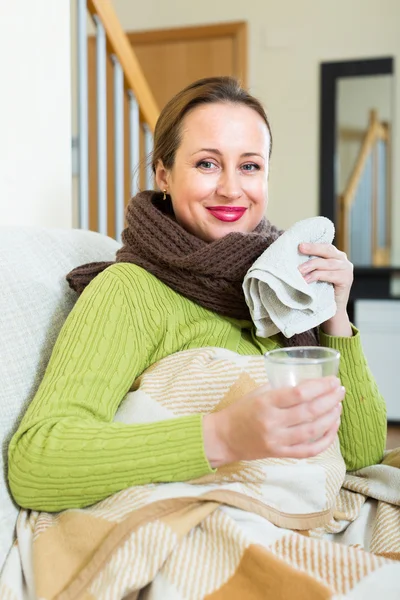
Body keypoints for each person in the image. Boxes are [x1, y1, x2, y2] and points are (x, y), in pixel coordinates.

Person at [8, 76, 386, 512]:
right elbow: (36, 463)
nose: (230, 188)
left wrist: (334, 315)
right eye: (207, 164)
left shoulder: (279, 289)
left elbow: (361, 455)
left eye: (249, 166)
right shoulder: (129, 291)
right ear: (164, 175)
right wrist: (224, 436)